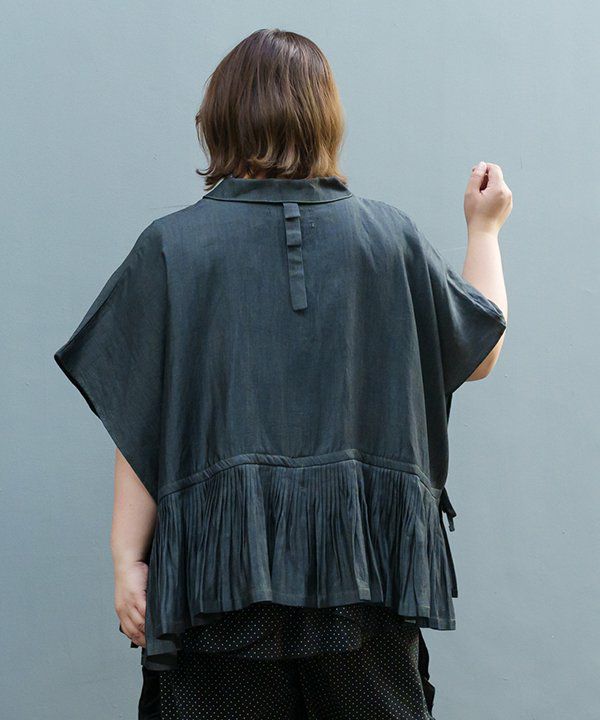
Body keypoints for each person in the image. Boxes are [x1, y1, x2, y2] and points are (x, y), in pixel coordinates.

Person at [53, 28, 510, 720]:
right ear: (324, 119)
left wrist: (126, 559)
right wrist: (485, 231)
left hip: (218, 590)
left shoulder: (172, 247)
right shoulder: (390, 240)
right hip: (364, 584)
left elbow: (138, 411)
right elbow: (479, 351)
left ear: (220, 118)